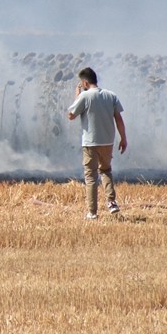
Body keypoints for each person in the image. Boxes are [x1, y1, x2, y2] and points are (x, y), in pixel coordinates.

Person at [66, 67, 127, 220]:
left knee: (91, 177)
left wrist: (77, 96)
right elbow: (119, 119)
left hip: (90, 142)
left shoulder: (85, 96)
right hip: (108, 141)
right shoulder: (110, 95)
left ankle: (92, 212)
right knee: (106, 171)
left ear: (85, 82)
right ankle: (112, 202)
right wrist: (123, 138)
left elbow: (71, 115)